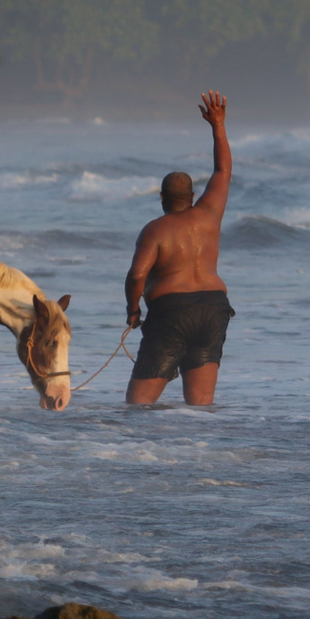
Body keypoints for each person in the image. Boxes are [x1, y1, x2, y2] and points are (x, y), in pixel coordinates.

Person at [122, 90, 233, 406]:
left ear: (161, 198)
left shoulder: (155, 230)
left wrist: (132, 311)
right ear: (193, 196)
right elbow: (223, 171)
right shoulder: (210, 213)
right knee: (199, 407)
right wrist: (218, 125)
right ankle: (197, 455)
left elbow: (136, 276)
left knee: (138, 407)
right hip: (213, 308)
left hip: (172, 313)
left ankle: (135, 454)